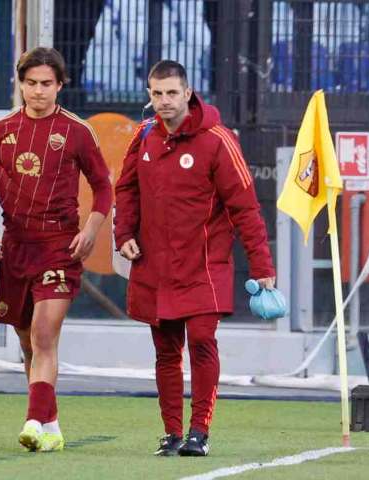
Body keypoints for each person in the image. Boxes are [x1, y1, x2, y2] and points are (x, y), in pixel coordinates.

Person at [114, 60, 275, 457]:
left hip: (204, 265)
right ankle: (172, 433)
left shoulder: (218, 139)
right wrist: (124, 234)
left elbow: (245, 207)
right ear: (149, 95)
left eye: (172, 92)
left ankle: (199, 432)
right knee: (166, 351)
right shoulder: (144, 135)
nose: (164, 101)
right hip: (155, 265)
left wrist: (262, 266)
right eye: (157, 93)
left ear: (188, 93)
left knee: (202, 340)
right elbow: (126, 189)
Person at [0, 47, 112, 452]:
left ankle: (33, 420)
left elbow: (103, 187)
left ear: (60, 85)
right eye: (31, 83)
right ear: (20, 84)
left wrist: (91, 230)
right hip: (15, 246)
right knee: (26, 342)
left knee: (43, 334)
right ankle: (50, 427)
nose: (38, 91)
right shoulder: (0, 130)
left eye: (46, 84)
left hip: (59, 246)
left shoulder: (76, 131)